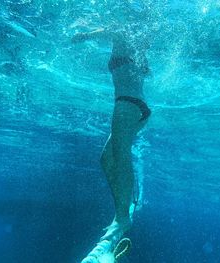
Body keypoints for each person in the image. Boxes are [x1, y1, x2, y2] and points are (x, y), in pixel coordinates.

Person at [72, 27, 151, 261]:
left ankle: (120, 217)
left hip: (128, 104)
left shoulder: (124, 31)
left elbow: (109, 30)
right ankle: (123, 209)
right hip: (132, 105)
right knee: (107, 158)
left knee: (120, 154)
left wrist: (84, 34)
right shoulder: (134, 42)